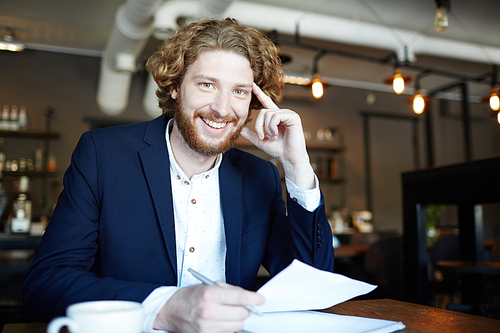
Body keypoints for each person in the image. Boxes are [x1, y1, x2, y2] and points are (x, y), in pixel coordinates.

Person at [22, 18, 334, 333]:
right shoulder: (103, 154)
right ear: (174, 87)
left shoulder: (260, 175)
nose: (222, 108)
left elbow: (312, 287)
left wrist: (297, 165)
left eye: (239, 91)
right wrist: (163, 307)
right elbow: (47, 282)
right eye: (207, 84)